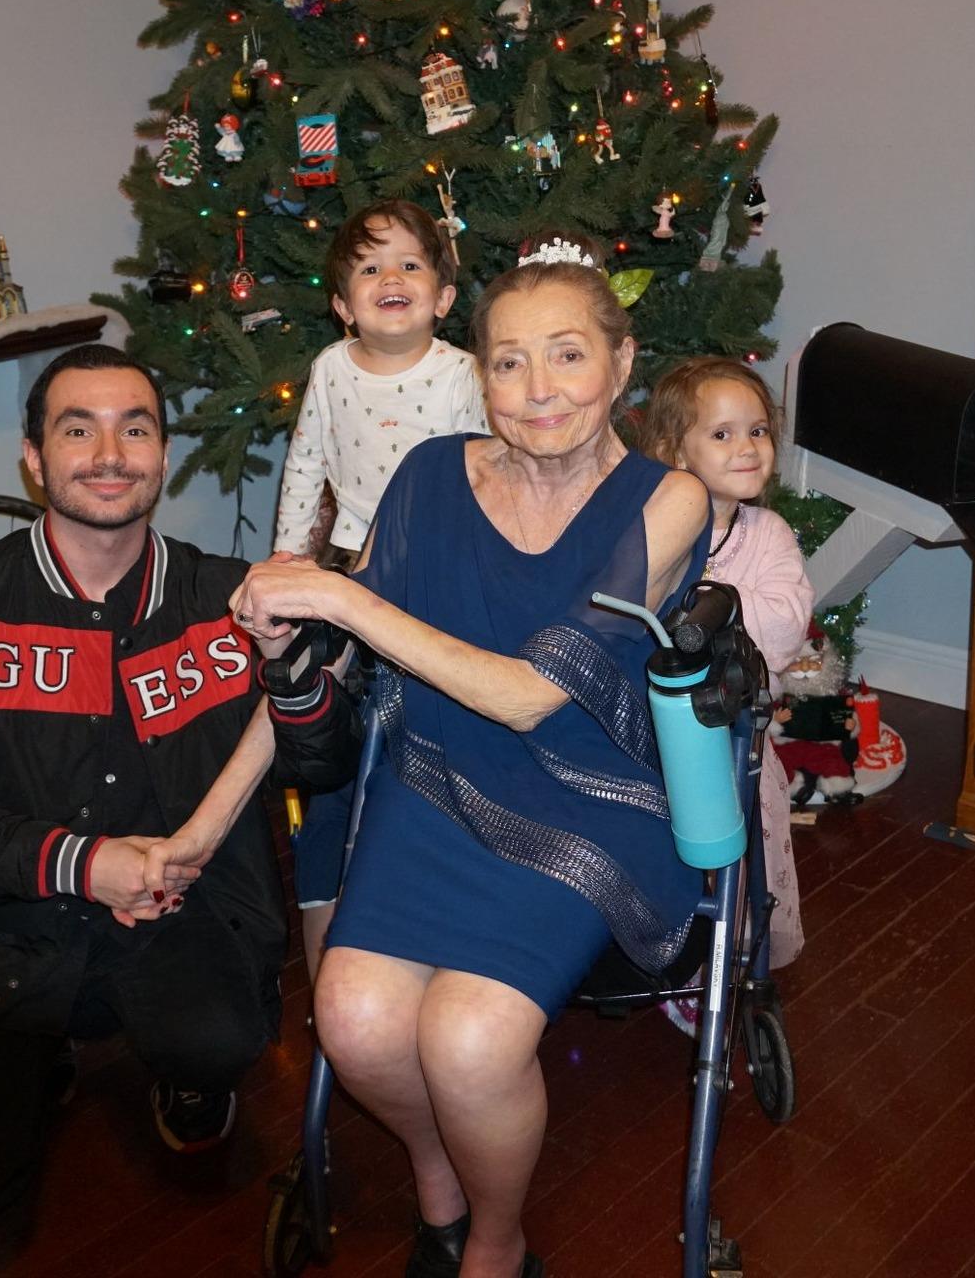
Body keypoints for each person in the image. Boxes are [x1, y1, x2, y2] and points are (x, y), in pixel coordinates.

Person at [229, 234, 711, 1278]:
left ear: (620, 365)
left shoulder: (666, 500)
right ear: (476, 369)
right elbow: (353, 655)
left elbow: (532, 696)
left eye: (567, 354)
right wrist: (289, 641)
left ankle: (495, 1239)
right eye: (506, 360)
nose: (537, 390)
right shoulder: (428, 476)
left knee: (469, 1039)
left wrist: (337, 591)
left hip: (595, 798)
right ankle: (438, 1182)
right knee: (353, 1021)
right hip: (435, 778)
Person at [0, 344, 355, 1242]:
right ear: (35, 459)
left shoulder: (229, 598)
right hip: (18, 920)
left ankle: (184, 1069)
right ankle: (46, 1042)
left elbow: (322, 765)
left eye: (134, 428)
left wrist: (288, 675)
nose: (110, 453)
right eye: (78, 429)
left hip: (190, 916)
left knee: (219, 1038)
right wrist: (84, 863)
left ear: (163, 456)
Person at [271, 199, 490, 977]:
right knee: (335, 742)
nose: (389, 278)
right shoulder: (332, 371)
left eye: (409, 265)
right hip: (351, 571)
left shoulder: (463, 373)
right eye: (368, 268)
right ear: (341, 305)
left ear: (443, 297)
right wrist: (289, 562)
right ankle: (326, 930)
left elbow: (486, 473)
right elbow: (305, 463)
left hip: (440, 572)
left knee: (436, 727)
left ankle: (445, 898)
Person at [640, 357, 815, 975]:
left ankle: (730, 964)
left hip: (733, 738)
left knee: (735, 853)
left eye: (758, 431)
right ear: (673, 450)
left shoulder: (768, 535)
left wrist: (717, 615)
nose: (747, 448)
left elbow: (788, 620)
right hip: (654, 738)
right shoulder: (649, 531)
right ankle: (668, 954)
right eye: (722, 434)